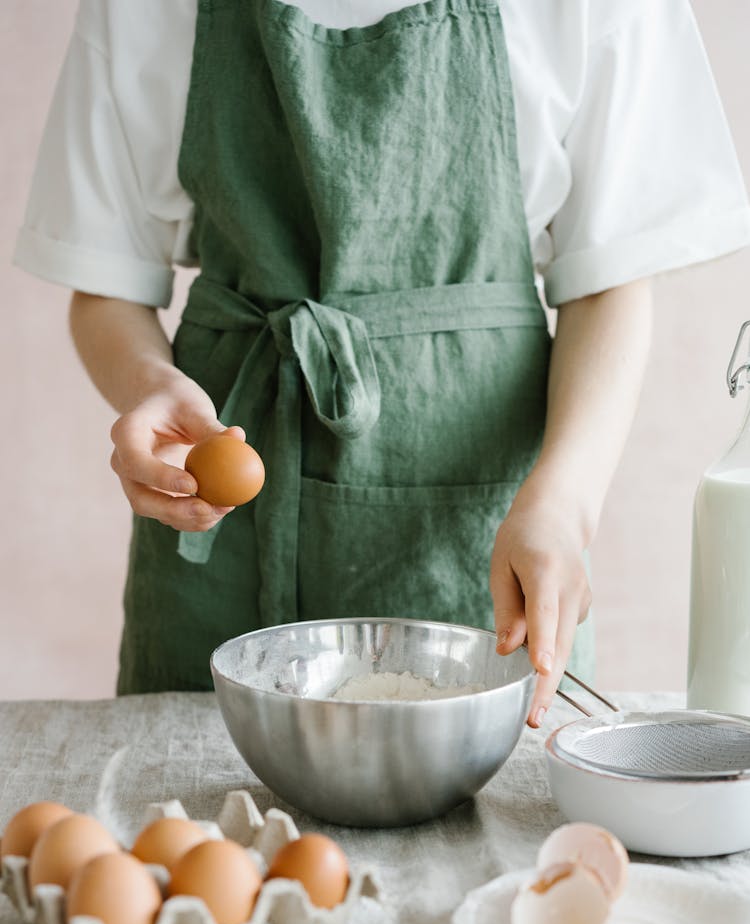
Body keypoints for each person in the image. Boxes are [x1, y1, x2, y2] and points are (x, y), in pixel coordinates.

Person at [14, 0, 750, 724]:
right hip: (223, 546)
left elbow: (609, 283)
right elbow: (105, 285)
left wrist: (564, 506)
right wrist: (151, 386)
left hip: (485, 536)